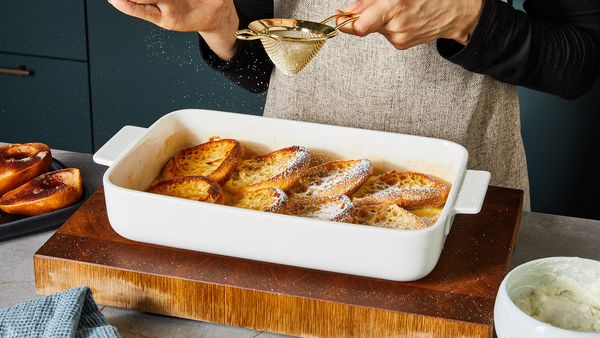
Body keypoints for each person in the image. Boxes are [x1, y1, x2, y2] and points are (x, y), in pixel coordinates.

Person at [108, 0, 600, 210]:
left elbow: (579, 60)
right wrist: (219, 22)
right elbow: (263, 67)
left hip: (459, 196)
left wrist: (465, 18)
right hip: (289, 189)